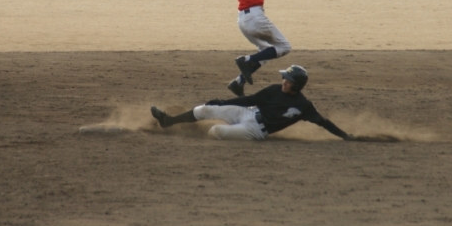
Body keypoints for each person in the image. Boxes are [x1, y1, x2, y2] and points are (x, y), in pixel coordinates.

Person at [150, 65, 355, 141]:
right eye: (284, 78)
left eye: (288, 80)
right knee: (205, 109)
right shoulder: (274, 89)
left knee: (215, 131)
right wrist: (221, 103)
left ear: (297, 85)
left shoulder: (303, 106)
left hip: (256, 130)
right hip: (247, 112)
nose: (284, 81)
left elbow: (323, 122)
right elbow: (249, 100)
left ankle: (196, 132)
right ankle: (168, 121)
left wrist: (345, 136)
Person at [224, 0, 296, 97]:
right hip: (255, 18)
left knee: (266, 51)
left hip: (243, 20)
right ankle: (246, 60)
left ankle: (239, 82)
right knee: (284, 46)